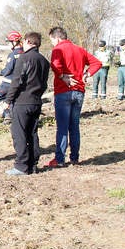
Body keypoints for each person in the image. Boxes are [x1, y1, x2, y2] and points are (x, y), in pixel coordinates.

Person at [48, 27, 103, 168]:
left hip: (63, 91)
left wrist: (61, 76)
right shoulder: (80, 49)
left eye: (52, 40)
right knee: (74, 126)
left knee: (62, 127)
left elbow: (55, 65)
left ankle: (60, 159)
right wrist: (87, 74)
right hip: (79, 91)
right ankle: (75, 158)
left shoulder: (58, 49)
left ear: (57, 38)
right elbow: (97, 63)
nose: (52, 44)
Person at [4, 32, 49, 176]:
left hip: (22, 102)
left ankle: (21, 166)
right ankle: (33, 165)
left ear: (28, 41)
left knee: (19, 134)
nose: (22, 43)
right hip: (36, 101)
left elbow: (16, 81)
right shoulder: (44, 61)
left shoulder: (24, 58)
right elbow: (44, 84)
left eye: (24, 41)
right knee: (32, 133)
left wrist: (8, 100)